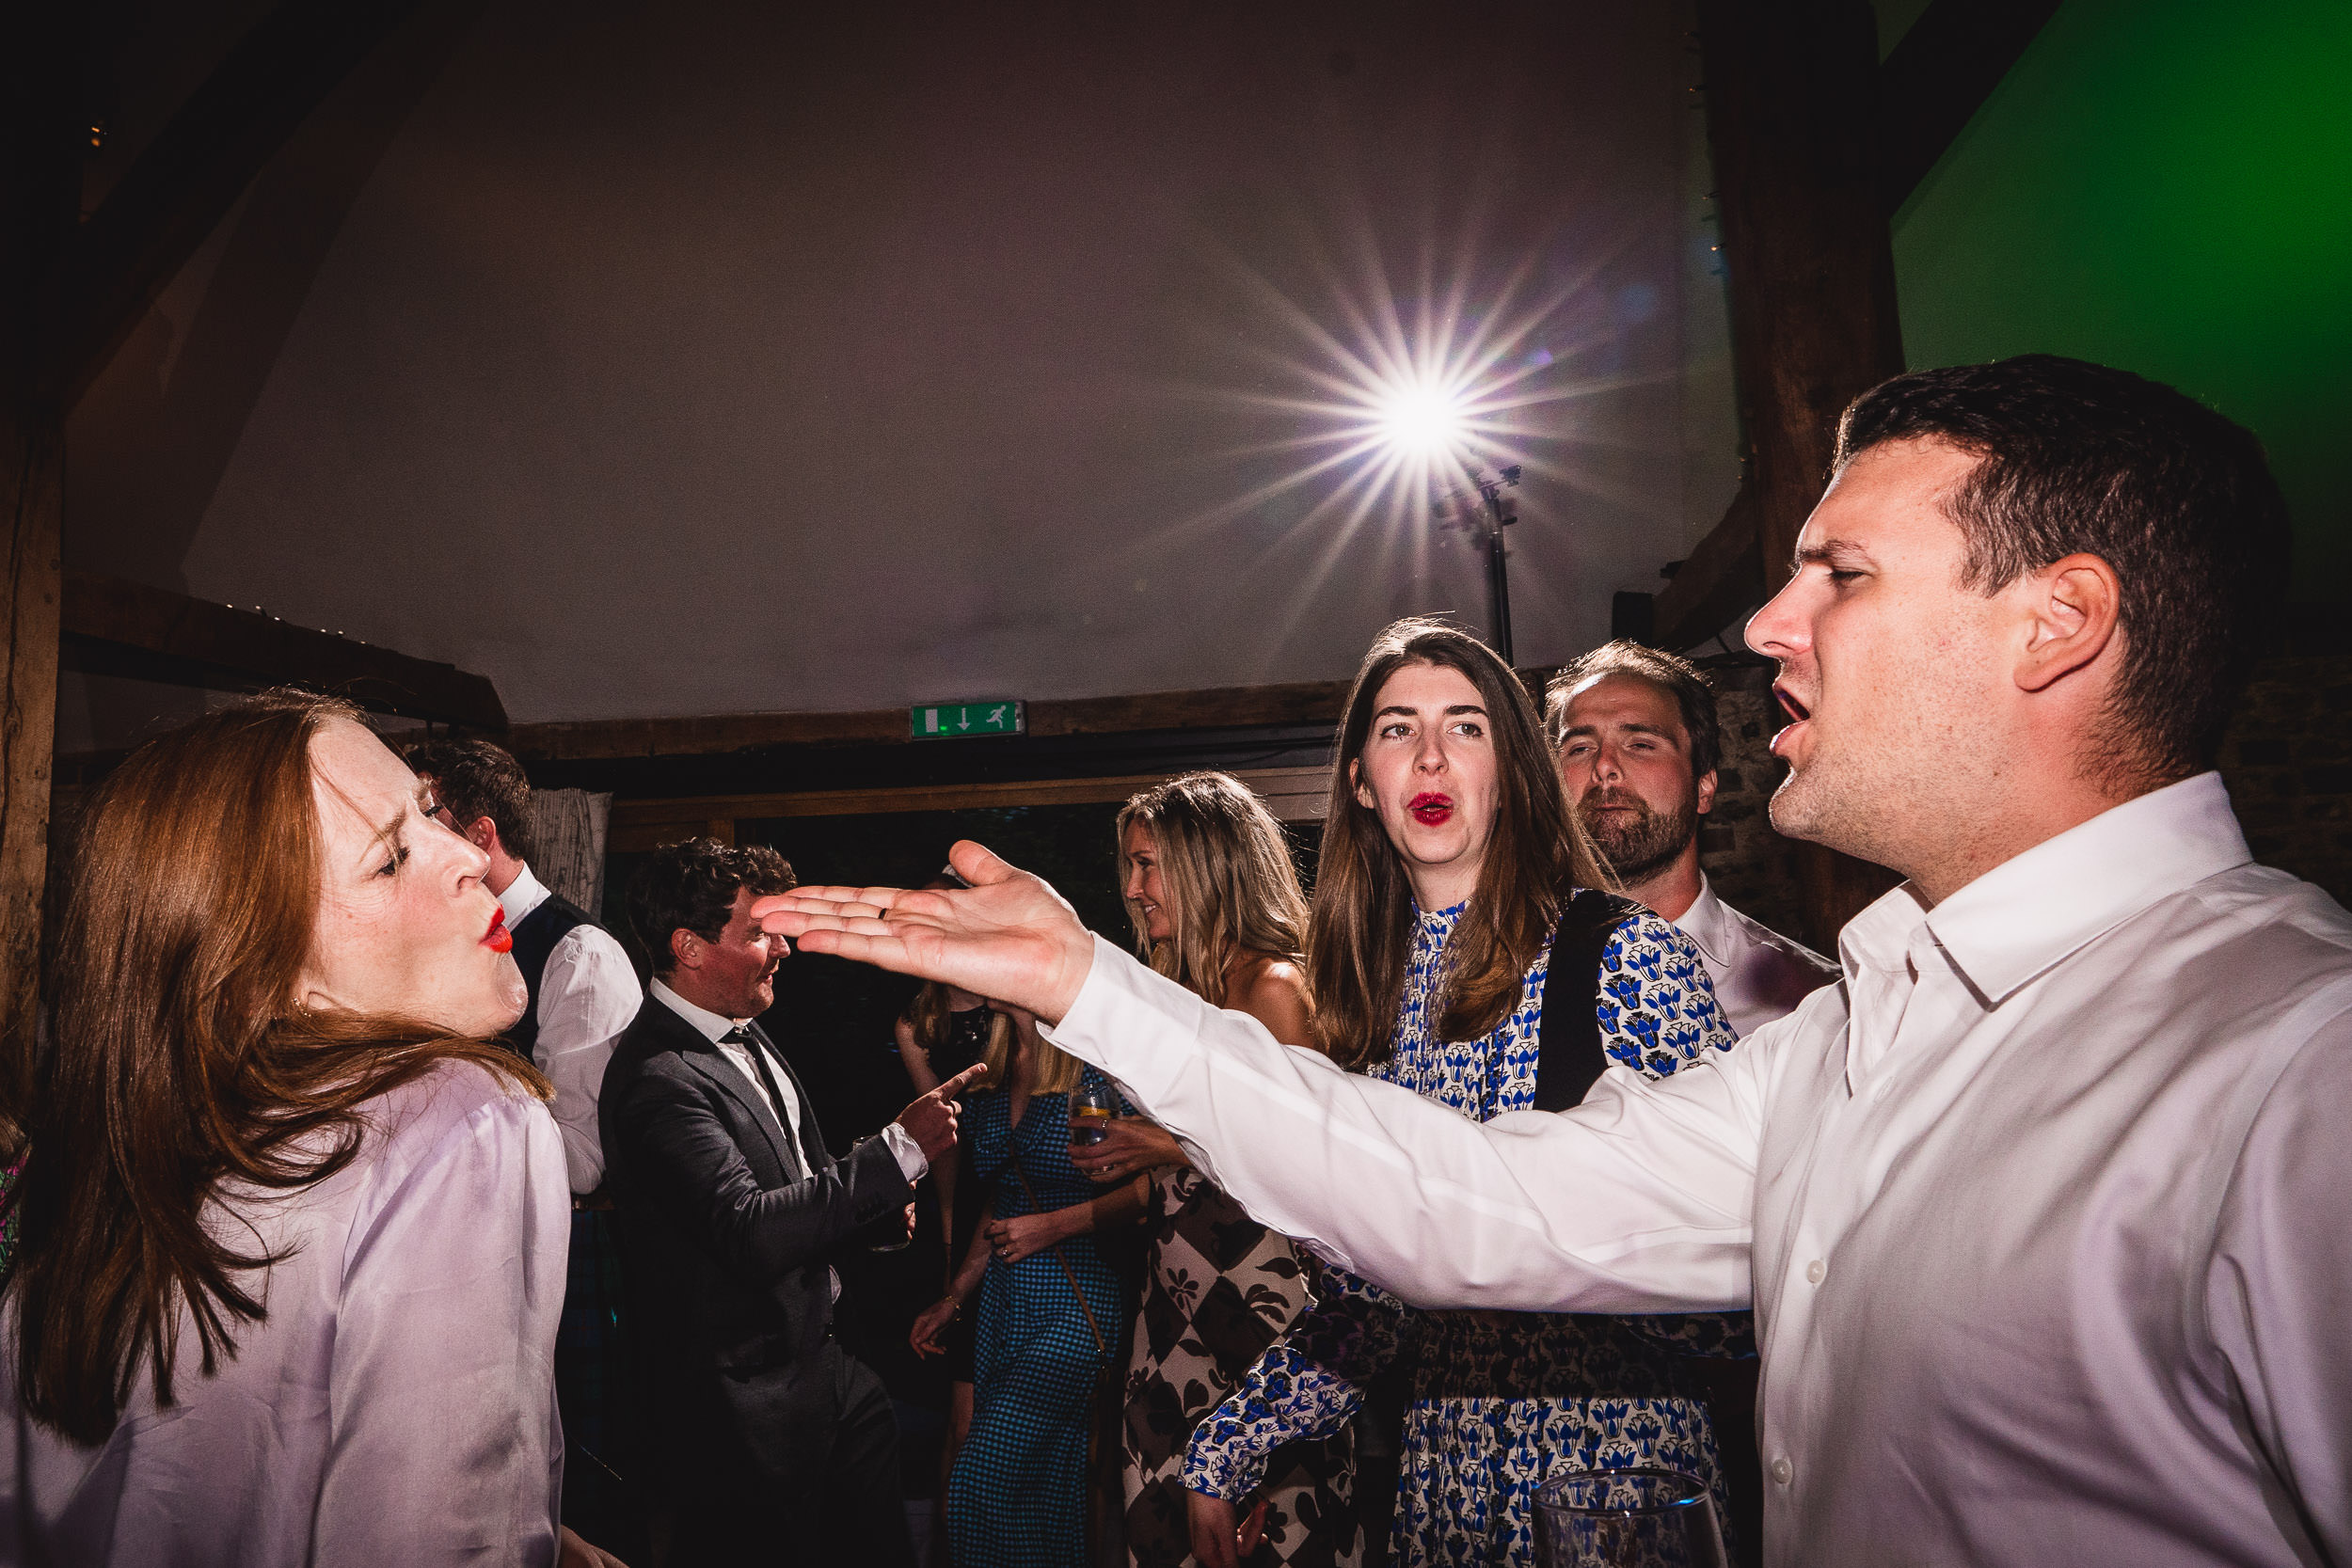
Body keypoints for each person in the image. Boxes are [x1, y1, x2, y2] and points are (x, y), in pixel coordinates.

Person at [761, 356, 2350, 1568]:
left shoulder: (2295, 1069)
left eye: (1843, 575)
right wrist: (1093, 984)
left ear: (2057, 624)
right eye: (1394, 731)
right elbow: (1473, 1206)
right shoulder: (1862, 1033)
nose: (1772, 626)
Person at [1168, 623, 1742, 1568]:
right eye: (1398, 728)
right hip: (1443, 1489)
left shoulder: (1622, 955)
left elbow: (1732, 1266)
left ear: (1509, 773)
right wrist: (1228, 1444)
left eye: (1465, 727)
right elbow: (1374, 1298)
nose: (1430, 753)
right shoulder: (1370, 1002)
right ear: (1360, 778)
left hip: (1616, 1487)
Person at [0, 690, 617, 1566]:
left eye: (430, 813)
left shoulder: (86, 1166)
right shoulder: (466, 1121)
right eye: (390, 859)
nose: (466, 859)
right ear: (259, 977)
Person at [600, 837, 978, 1567]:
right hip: (747, 1415)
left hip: (833, 1376)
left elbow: (795, 1176)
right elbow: (747, 1229)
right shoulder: (657, 1075)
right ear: (690, 947)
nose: (782, 948)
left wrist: (872, 1215)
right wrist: (899, 1149)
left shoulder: (749, 1034)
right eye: (758, 933)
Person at [1061, 771, 1356, 1568]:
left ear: (1210, 864)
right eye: (1130, 865)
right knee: (1156, 1528)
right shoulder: (1179, 991)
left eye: (1149, 865)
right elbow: (1182, 1164)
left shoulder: (1275, 986)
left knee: (1275, 1543)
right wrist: (1134, 1158)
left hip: (1261, 1313)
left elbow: (1311, 1162)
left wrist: (1161, 1143)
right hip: (1169, 1312)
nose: (1133, 888)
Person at [406, 737, 645, 1553]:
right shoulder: (425, 948)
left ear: (478, 835)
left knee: (572, 1478)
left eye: (424, 815)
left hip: (565, 1251)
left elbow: (584, 1154)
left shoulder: (578, 952)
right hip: (458, 1254)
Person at [910, 1005, 1146, 1568]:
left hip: (1075, 1301)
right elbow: (1003, 1197)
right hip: (1004, 1303)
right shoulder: (992, 1067)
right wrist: (955, 1296)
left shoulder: (1095, 1066)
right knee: (1045, 1493)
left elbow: (1152, 1187)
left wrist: (1054, 1226)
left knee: (977, 1481)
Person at [1546, 643, 1837, 1037]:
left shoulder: (1807, 1004)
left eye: (1641, 745)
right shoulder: (1492, 978)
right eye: (1579, 748)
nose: (1603, 767)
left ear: (1704, 788)